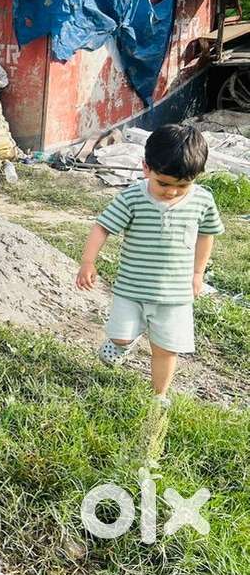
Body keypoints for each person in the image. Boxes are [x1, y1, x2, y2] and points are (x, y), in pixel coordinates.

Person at [76, 124, 224, 408]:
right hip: (131, 289)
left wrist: (197, 274)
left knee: (166, 349)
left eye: (182, 186)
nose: (172, 192)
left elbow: (207, 236)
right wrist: (88, 261)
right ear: (146, 168)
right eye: (164, 184)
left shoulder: (203, 201)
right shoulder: (133, 198)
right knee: (119, 335)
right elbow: (103, 227)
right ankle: (125, 342)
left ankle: (159, 396)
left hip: (175, 295)